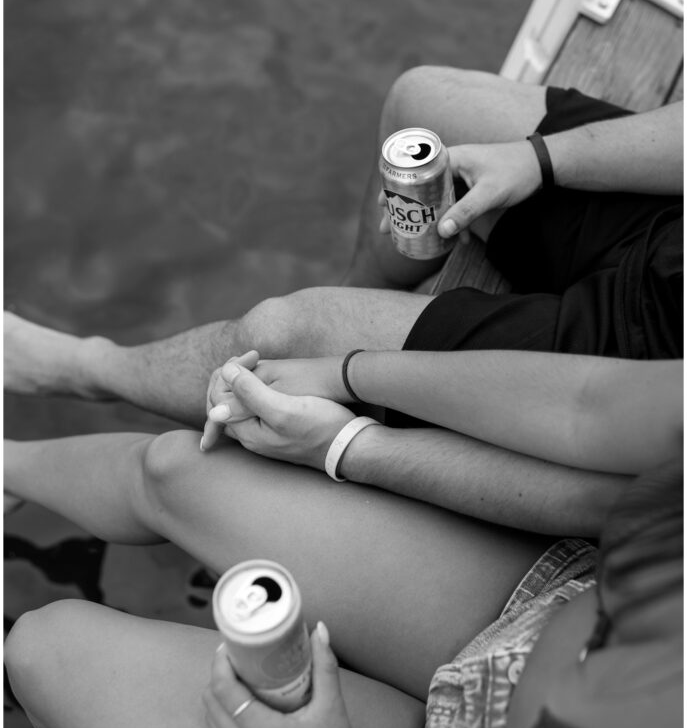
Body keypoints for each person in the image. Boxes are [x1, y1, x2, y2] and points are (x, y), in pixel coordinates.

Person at [4, 351, 682, 728]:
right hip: (548, 619)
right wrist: (340, 382)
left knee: (44, 648)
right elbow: (588, 402)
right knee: (175, 467)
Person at [5, 67, 683, 531]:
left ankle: (89, 369)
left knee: (273, 336)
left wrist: (350, 439)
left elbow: (615, 487)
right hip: (666, 241)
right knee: (424, 107)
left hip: (637, 363)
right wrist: (538, 159)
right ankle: (363, 296)